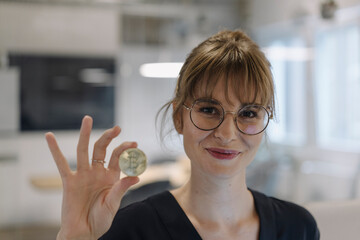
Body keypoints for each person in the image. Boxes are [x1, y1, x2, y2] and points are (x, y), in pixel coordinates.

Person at [45, 30, 320, 240]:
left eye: (248, 113)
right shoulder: (132, 229)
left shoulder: (298, 228)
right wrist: (76, 237)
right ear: (179, 117)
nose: (226, 133)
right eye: (209, 109)